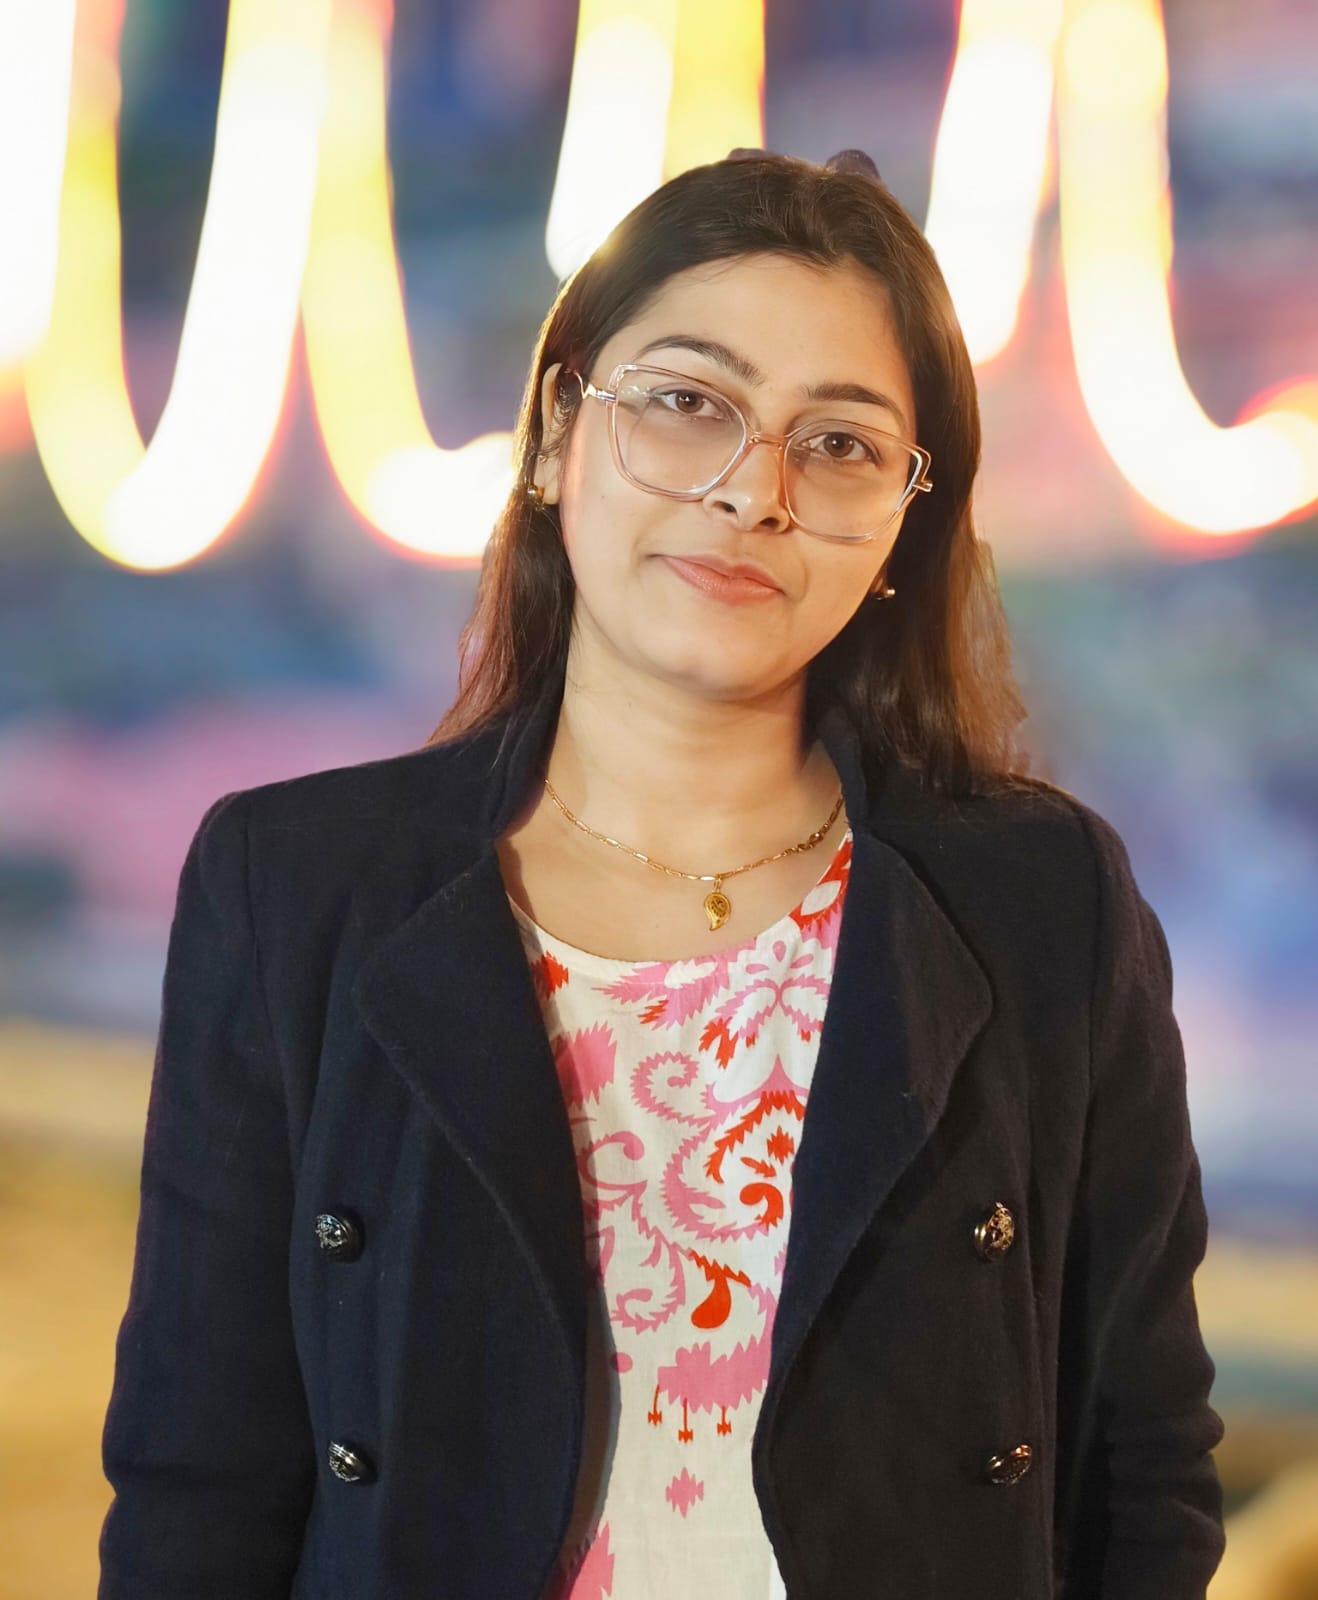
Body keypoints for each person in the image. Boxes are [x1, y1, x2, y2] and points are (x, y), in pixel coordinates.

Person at [98, 149, 1226, 1599]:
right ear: (555, 434)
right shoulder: (295, 886)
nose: (753, 491)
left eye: (839, 442)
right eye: (689, 403)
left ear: (902, 521)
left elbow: (1142, 1460)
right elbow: (199, 1478)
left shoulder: (1042, 903)